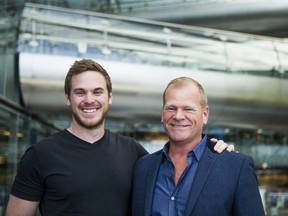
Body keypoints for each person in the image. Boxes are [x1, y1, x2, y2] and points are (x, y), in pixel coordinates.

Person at [6, 60, 232, 216]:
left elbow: (178, 162)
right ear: (68, 98)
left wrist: (214, 149)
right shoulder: (40, 155)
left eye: (97, 92)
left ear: (109, 97)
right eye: (79, 92)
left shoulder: (133, 153)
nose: (89, 100)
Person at [132, 77, 265, 216]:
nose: (178, 116)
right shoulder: (143, 167)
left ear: (205, 114)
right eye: (171, 108)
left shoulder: (235, 167)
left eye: (188, 109)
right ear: (162, 113)